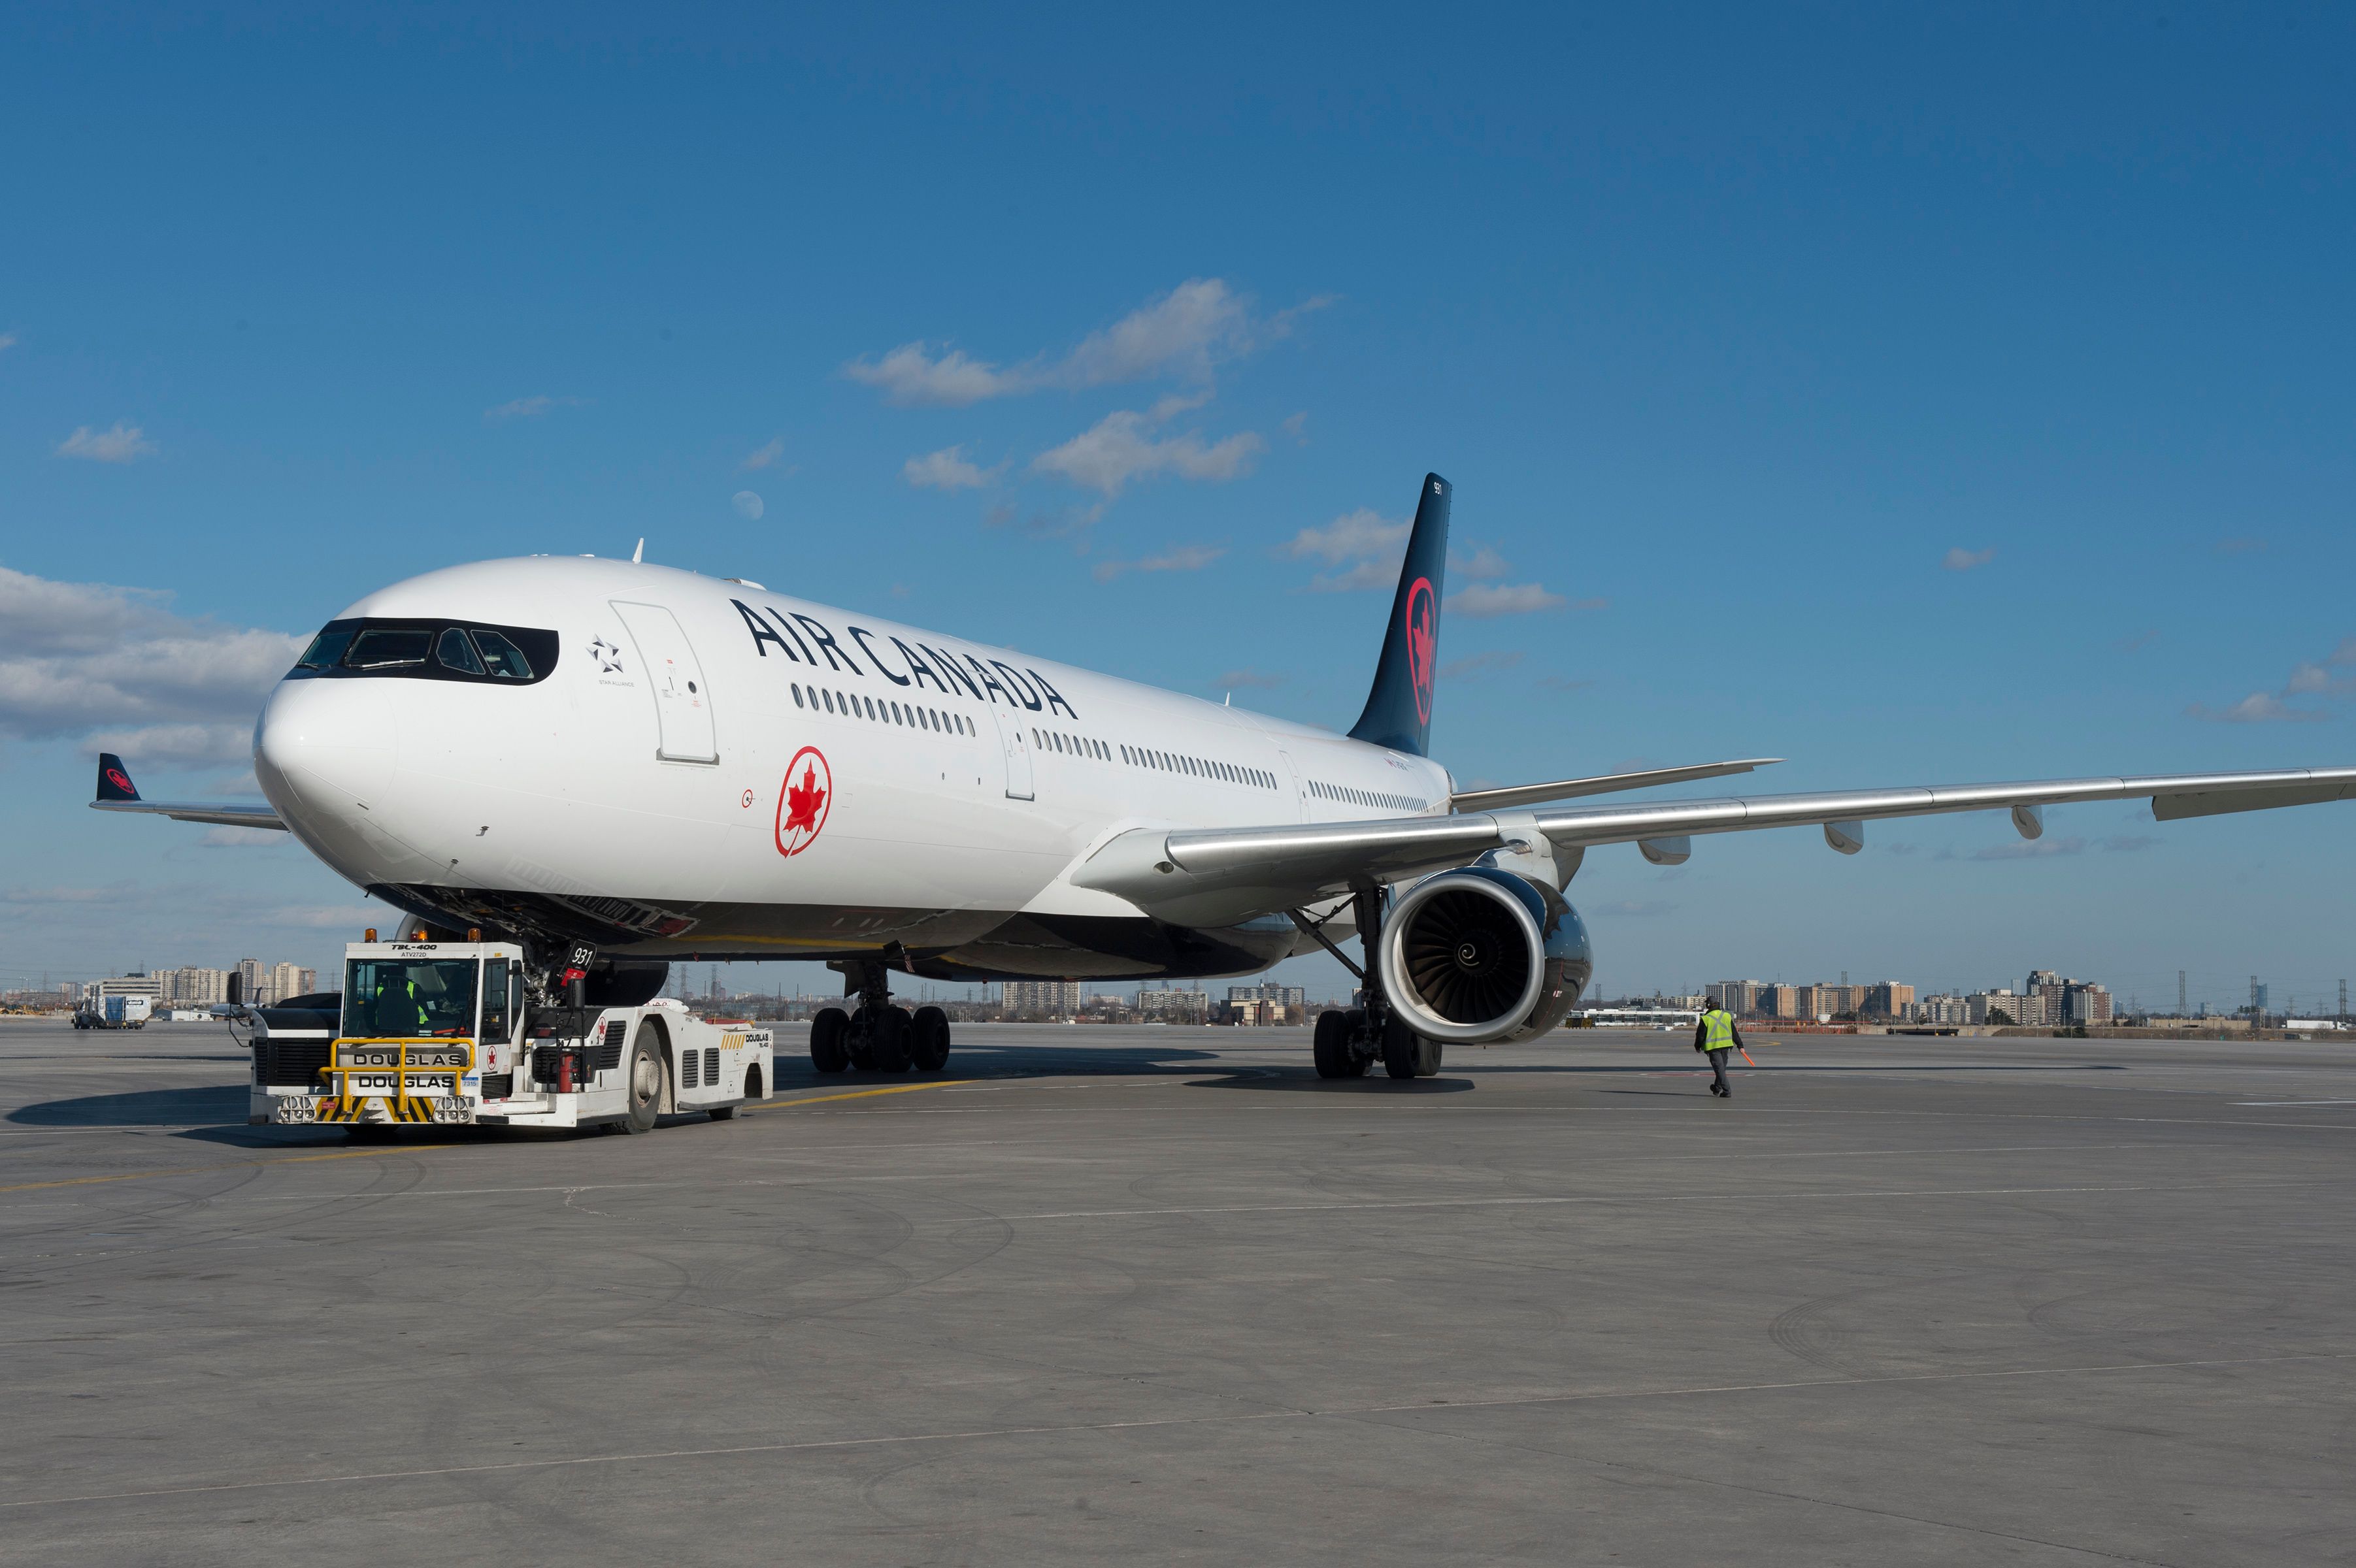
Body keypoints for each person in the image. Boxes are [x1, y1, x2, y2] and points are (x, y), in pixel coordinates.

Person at [1693, 1002, 1745, 1098]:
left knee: (1720, 1070)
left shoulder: (1706, 1018)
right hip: (1726, 1046)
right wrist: (1740, 1045)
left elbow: (1700, 1035)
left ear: (1708, 1006)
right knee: (1721, 1069)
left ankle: (1727, 1091)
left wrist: (1697, 1046)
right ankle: (1717, 1088)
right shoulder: (1726, 1016)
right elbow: (1734, 1032)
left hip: (1713, 1048)